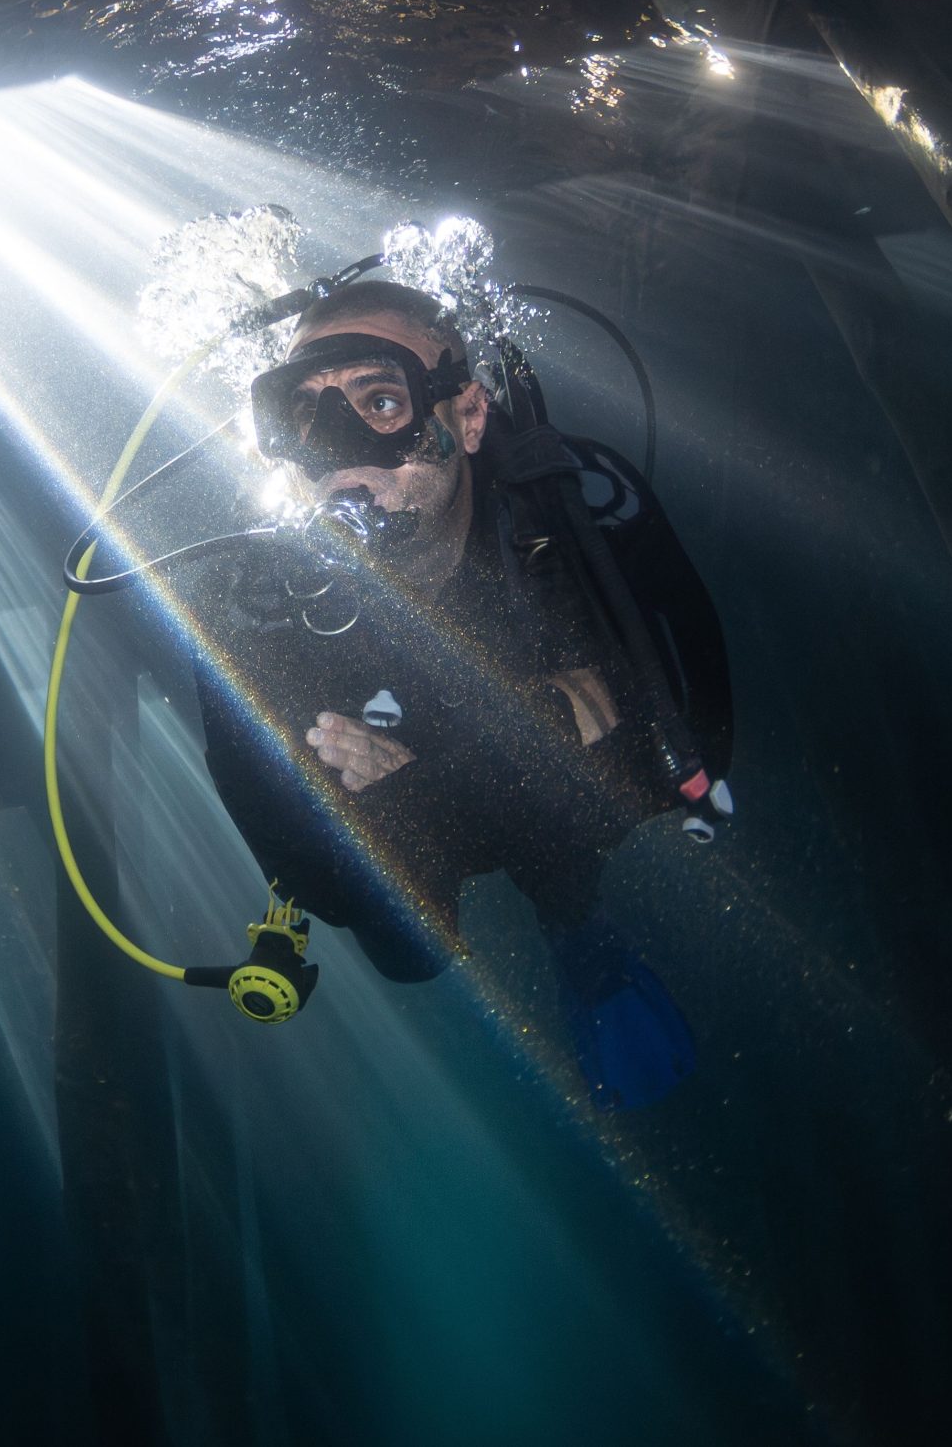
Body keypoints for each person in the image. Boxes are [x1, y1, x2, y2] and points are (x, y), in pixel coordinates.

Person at [187, 278, 731, 1109]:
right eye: (303, 414)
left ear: (467, 415)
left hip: (532, 819)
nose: (337, 449)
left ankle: (578, 940)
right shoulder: (242, 601)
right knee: (410, 953)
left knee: (560, 865)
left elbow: (693, 754)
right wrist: (532, 736)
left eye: (379, 399)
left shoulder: (583, 503)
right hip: (464, 833)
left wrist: (412, 791)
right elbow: (323, 891)